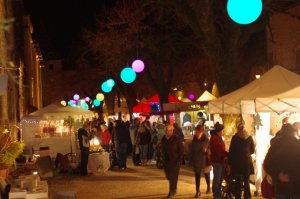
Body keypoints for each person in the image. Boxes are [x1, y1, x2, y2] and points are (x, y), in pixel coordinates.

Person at [264, 123, 300, 199]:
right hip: (296, 185)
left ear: (282, 132)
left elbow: (266, 164)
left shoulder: (275, 145)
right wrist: (291, 176)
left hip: (281, 187)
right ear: (293, 132)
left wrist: (278, 175)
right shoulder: (298, 145)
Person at [228, 123, 255, 199]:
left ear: (237, 129)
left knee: (238, 181)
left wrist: (229, 163)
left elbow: (231, 151)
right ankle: (247, 197)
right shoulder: (249, 137)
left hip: (237, 162)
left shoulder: (235, 137)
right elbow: (252, 150)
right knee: (246, 181)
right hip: (247, 161)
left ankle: (238, 196)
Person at [161, 124, 184, 198]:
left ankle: (172, 191)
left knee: (173, 177)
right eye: (166, 130)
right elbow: (162, 148)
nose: (168, 132)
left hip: (175, 161)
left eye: (169, 130)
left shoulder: (176, 139)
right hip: (166, 161)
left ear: (172, 131)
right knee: (168, 176)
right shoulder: (163, 139)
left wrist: (179, 160)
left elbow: (181, 150)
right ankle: (174, 189)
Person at [189, 124, 210, 198]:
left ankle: (208, 187)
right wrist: (190, 162)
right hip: (197, 160)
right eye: (196, 132)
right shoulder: (193, 141)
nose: (197, 133)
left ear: (202, 132)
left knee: (207, 175)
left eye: (199, 132)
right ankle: (197, 191)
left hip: (205, 160)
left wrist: (206, 150)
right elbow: (191, 151)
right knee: (197, 176)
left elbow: (210, 150)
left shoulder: (206, 140)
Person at [210, 122, 227, 199]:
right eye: (223, 130)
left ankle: (217, 193)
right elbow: (219, 150)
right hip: (217, 161)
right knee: (217, 178)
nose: (224, 132)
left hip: (219, 160)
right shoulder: (215, 138)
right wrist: (227, 154)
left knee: (219, 178)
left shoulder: (217, 137)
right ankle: (216, 194)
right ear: (219, 131)